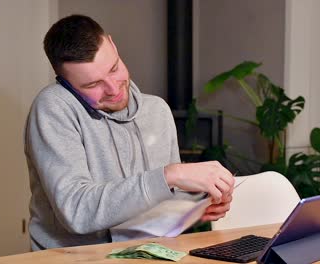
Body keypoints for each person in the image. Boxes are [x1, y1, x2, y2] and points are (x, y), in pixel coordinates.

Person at [24, 14, 234, 250]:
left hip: (147, 253)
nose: (113, 89)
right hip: (74, 257)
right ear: (65, 83)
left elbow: (158, 199)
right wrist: (169, 175)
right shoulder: (54, 107)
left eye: (114, 68)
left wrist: (199, 202)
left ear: (113, 45)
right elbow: (77, 211)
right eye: (92, 85)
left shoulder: (157, 110)